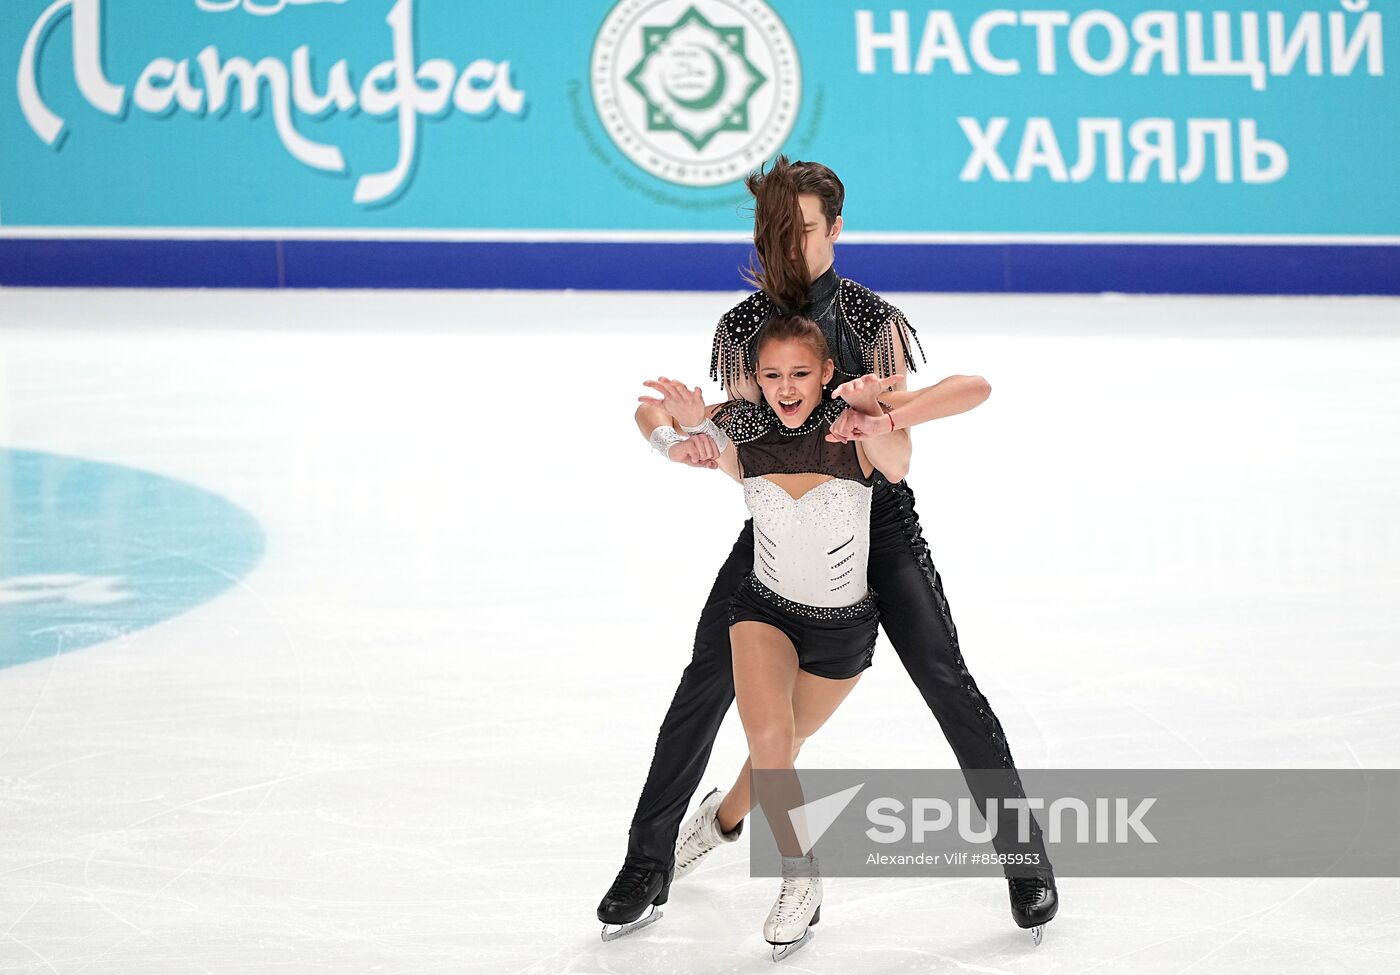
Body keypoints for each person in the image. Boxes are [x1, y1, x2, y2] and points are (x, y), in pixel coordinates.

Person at [597, 156, 1059, 948]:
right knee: (703, 685)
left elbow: (920, 420)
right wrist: (675, 444)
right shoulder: (745, 328)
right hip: (781, 528)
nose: (787, 242)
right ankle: (649, 860)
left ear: (835, 229)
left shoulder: (873, 319)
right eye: (774, 228)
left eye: (803, 228)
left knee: (945, 679)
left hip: (877, 521)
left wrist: (884, 417)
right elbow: (722, 431)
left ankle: (1024, 858)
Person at [635, 313, 916, 957]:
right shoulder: (742, 428)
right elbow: (650, 416)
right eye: (771, 375)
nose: (786, 387)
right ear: (754, 381)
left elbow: (904, 459)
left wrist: (883, 413)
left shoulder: (859, 431)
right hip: (763, 611)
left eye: (799, 373)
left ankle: (720, 820)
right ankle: (801, 876)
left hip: (842, 631)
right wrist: (679, 434)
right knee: (768, 738)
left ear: (825, 374)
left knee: (779, 752)